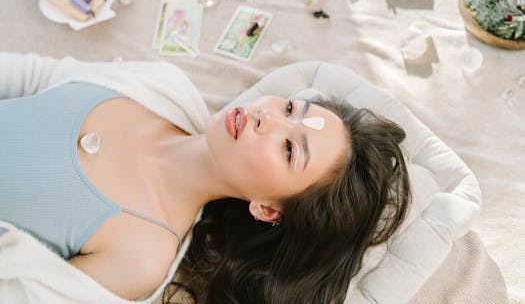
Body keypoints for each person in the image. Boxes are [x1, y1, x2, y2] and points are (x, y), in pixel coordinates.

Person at [0, 53, 411, 303]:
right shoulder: (163, 85)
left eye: (289, 149)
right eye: (289, 109)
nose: (266, 117)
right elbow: (33, 76)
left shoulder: (141, 256)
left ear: (267, 209)